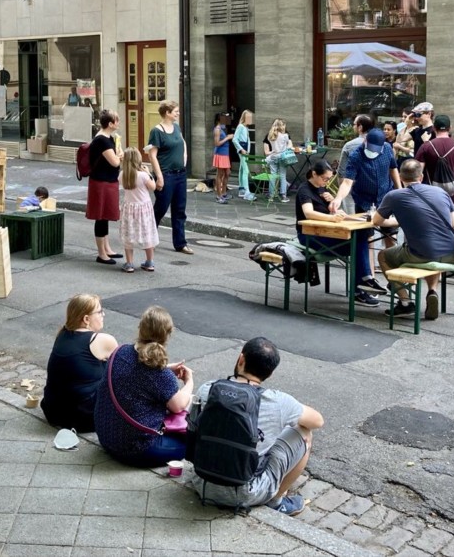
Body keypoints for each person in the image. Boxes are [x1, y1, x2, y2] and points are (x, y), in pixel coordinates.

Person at [189, 337, 324, 516]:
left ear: (241, 359)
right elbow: (318, 421)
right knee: (304, 433)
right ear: (270, 374)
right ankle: (277, 501)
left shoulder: (208, 389)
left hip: (201, 481)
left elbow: (192, 429)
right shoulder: (278, 401)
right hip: (246, 493)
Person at [94, 305, 193, 467]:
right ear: (167, 335)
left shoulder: (120, 352)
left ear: (140, 328)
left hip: (107, 438)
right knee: (191, 443)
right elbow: (178, 405)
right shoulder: (158, 373)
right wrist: (189, 382)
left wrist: (168, 369)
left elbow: (137, 372)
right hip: (136, 448)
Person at [372, 159, 454, 320]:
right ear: (420, 176)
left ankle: (405, 302)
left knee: (383, 256)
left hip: (421, 253)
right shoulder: (441, 192)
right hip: (451, 252)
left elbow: (376, 221)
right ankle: (432, 291)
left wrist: (399, 219)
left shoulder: (394, 196)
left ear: (400, 176)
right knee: (431, 253)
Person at [297, 160, 384, 307]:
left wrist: (343, 212)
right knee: (356, 244)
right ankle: (362, 286)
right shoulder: (304, 189)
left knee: (361, 237)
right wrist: (331, 217)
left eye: (329, 179)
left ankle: (364, 282)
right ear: (314, 174)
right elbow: (308, 213)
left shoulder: (322, 189)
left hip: (326, 233)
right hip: (310, 236)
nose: (327, 182)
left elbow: (338, 213)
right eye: (325, 178)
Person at [40, 294, 119, 433]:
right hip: (84, 417)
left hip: (53, 411)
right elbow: (128, 368)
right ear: (86, 319)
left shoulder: (62, 333)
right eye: (99, 312)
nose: (103, 314)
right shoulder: (102, 340)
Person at [415, 114, 454, 250]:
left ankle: (438, 267)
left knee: (433, 232)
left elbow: (417, 173)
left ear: (434, 128)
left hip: (431, 197)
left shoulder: (426, 147)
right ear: (450, 128)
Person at [146, 100, 193, 254]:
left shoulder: (176, 127)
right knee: (160, 208)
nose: (178, 113)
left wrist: (184, 163)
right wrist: (159, 177)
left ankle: (180, 243)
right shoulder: (156, 131)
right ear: (167, 113)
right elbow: (152, 156)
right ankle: (148, 237)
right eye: (176, 111)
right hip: (166, 175)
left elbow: (182, 145)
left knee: (180, 210)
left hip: (180, 174)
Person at [331, 126, 401, 217]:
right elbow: (347, 182)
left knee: (390, 228)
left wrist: (399, 190)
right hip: (364, 200)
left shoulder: (387, 149)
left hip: (385, 196)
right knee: (364, 229)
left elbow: (393, 169)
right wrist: (338, 198)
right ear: (365, 141)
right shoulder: (356, 156)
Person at [87, 110, 123, 264]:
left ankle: (107, 249)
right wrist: (120, 156)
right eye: (117, 120)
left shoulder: (109, 138)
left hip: (108, 181)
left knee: (106, 216)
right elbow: (115, 162)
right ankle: (101, 254)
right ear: (110, 124)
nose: (119, 123)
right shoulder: (102, 140)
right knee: (101, 217)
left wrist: (118, 156)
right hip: (101, 183)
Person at [119, 147, 162, 273]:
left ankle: (129, 263)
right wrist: (149, 173)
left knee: (128, 235)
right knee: (147, 233)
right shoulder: (143, 175)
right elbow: (153, 187)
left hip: (129, 208)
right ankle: (149, 262)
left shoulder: (123, 175)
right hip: (144, 209)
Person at [263, 119, 293, 203]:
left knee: (273, 176)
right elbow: (289, 146)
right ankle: (283, 195)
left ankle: (271, 195)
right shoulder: (285, 136)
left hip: (273, 157)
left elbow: (269, 149)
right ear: (282, 126)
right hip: (282, 157)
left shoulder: (270, 135)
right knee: (282, 176)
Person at [233, 110, 255, 201]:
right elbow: (235, 139)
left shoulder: (245, 128)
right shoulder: (241, 127)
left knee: (242, 169)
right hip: (242, 150)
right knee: (246, 170)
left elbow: (247, 140)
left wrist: (247, 150)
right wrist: (241, 149)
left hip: (245, 150)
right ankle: (247, 191)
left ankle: (242, 189)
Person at [211, 112, 232, 204]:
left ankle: (223, 192)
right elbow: (217, 143)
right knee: (220, 174)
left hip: (225, 154)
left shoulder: (222, 128)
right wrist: (227, 138)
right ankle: (219, 195)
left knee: (227, 173)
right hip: (220, 154)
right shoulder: (217, 129)